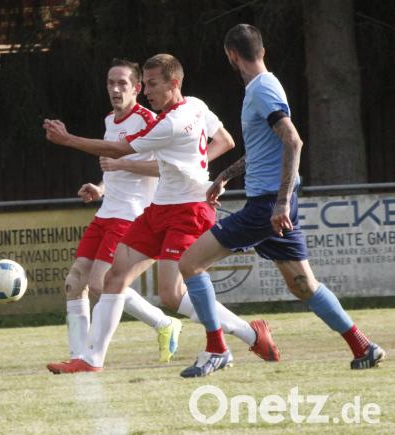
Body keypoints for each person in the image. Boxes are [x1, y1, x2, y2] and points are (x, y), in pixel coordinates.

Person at [43, 54, 279, 374]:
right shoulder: (195, 104)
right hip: (158, 209)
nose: (147, 92)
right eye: (147, 84)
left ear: (174, 84)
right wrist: (198, 169)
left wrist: (68, 140)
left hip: (187, 212)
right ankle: (90, 359)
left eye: (153, 85)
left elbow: (119, 151)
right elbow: (223, 140)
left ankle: (251, 334)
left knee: (171, 295)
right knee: (114, 278)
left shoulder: (169, 123)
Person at [177, 24, 385, 377]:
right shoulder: (263, 88)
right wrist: (226, 176)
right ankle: (363, 346)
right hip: (271, 204)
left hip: (268, 207)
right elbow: (265, 150)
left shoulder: (261, 90)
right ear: (262, 50)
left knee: (190, 265)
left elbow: (293, 141)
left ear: (232, 55)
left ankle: (217, 350)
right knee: (302, 284)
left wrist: (280, 204)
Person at [62, 58, 169, 363]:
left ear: (137, 88)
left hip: (132, 214)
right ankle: (78, 357)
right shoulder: (110, 121)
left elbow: (166, 168)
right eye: (111, 82)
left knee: (99, 283)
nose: (115, 88)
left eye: (122, 83)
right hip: (106, 211)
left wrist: (122, 163)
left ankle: (163, 323)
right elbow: (114, 172)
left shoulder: (150, 121)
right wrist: (100, 188)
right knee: (74, 283)